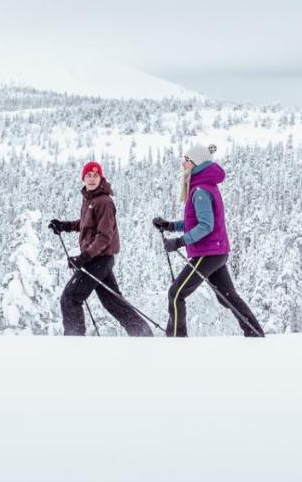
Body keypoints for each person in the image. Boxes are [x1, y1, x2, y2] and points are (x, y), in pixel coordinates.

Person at [153, 144, 264, 337]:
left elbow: (205, 226)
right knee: (227, 297)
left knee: (176, 293)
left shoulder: (201, 191)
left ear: (196, 163)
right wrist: (170, 225)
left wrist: (180, 242)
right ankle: (254, 333)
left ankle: (176, 341)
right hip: (216, 252)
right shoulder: (202, 187)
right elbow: (194, 221)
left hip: (208, 253)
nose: (183, 163)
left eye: (186, 159)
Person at [48, 161, 153, 337]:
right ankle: (143, 335)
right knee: (113, 302)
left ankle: (74, 341)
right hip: (100, 259)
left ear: (101, 178)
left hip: (99, 259)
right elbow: (86, 224)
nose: (91, 179)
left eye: (95, 176)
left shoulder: (104, 202)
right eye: (88, 175)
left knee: (70, 298)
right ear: (83, 178)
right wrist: (64, 226)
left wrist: (84, 257)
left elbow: (105, 236)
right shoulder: (91, 199)